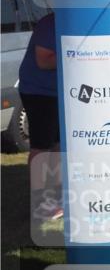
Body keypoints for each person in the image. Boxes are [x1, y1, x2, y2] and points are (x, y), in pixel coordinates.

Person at [18, 12, 63, 221]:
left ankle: (57, 195)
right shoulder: (49, 23)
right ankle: (40, 202)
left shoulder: (74, 20)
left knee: (59, 145)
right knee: (41, 147)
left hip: (60, 92)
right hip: (39, 91)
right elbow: (43, 61)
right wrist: (75, 53)